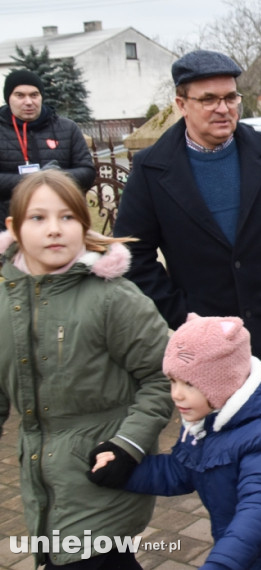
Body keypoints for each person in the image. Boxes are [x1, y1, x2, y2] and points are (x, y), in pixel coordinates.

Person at [113, 49, 261, 478]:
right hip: (208, 357)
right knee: (226, 472)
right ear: (181, 104)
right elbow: (133, 256)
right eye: (208, 99)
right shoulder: (153, 169)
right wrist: (184, 315)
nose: (223, 108)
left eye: (231, 97)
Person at [0, 170, 172, 569]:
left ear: (84, 224)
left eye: (67, 217)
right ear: (13, 227)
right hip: (43, 481)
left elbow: (162, 374)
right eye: (38, 218)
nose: (54, 230)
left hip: (102, 474)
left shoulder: (114, 298)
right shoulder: (7, 301)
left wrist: (127, 445)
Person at [91, 314, 261, 570]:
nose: (176, 394)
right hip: (243, 550)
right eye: (172, 381)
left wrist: (221, 564)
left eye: (189, 384)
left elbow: (258, 511)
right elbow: (181, 471)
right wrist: (124, 472)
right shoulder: (204, 424)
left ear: (224, 384)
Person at [0, 69, 95, 218]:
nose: (29, 102)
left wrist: (55, 176)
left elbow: (87, 173)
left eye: (34, 95)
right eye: (20, 95)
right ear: (8, 98)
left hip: (62, 219)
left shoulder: (67, 128)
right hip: (9, 224)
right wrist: (36, 179)